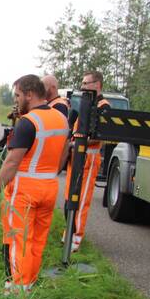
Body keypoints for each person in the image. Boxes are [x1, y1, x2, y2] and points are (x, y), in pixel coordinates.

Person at [0, 74, 69, 295]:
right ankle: (29, 284)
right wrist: (52, 173)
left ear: (30, 94)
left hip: (25, 190)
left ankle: (18, 291)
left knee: (19, 240)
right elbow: (64, 153)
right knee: (37, 241)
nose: (17, 99)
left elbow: (11, 162)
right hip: (50, 188)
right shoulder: (62, 119)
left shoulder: (28, 123)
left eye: (18, 95)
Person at [60, 70, 111, 253]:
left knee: (81, 201)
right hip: (76, 156)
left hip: (89, 157)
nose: (82, 87)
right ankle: (69, 231)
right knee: (69, 198)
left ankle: (76, 237)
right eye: (82, 83)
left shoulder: (103, 107)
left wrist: (78, 142)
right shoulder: (86, 103)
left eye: (86, 83)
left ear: (97, 84)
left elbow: (98, 135)